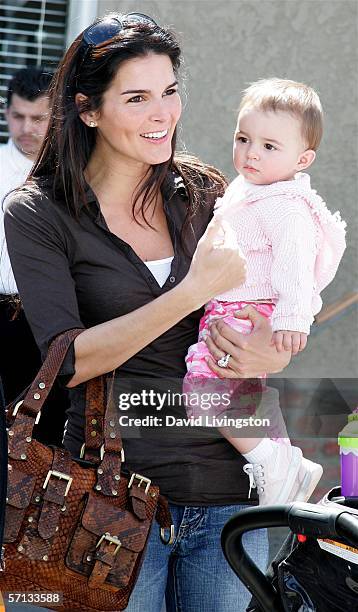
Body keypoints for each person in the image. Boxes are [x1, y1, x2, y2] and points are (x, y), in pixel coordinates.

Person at [4, 14, 293, 612]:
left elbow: (261, 315)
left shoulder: (209, 195)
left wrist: (273, 344)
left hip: (231, 501)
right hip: (110, 504)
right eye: (137, 98)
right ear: (87, 110)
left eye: (169, 91)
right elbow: (67, 362)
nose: (163, 113)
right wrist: (188, 294)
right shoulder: (38, 214)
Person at [184, 78, 346, 506]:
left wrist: (294, 319)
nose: (251, 152)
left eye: (270, 146)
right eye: (243, 138)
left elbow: (295, 265)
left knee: (202, 391)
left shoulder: (284, 204)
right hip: (234, 305)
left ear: (303, 158)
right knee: (246, 392)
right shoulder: (250, 188)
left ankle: (271, 461)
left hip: (246, 310)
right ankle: (286, 460)